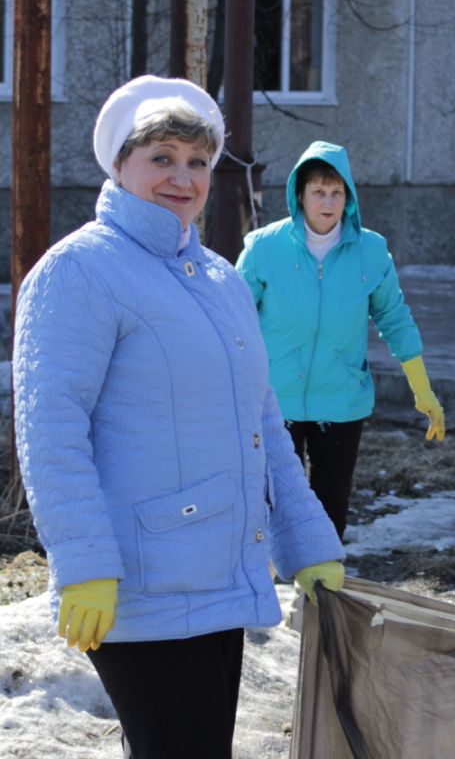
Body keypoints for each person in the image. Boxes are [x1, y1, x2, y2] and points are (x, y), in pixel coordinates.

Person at [13, 75, 346, 759]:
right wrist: (83, 562)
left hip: (219, 578)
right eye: (160, 157)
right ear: (119, 164)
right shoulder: (79, 271)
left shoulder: (219, 280)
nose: (182, 177)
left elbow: (263, 425)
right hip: (136, 587)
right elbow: (51, 428)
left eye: (197, 161)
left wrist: (307, 539)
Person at [237, 141, 444, 541]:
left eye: (336, 192)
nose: (327, 202)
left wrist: (423, 390)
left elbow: (394, 318)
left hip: (342, 398)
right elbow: (233, 319)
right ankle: (269, 591)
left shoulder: (370, 250)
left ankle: (320, 595)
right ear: (300, 194)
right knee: (271, 505)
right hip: (274, 399)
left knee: (330, 510)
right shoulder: (264, 248)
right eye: (318, 192)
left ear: (348, 197)